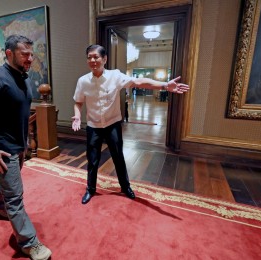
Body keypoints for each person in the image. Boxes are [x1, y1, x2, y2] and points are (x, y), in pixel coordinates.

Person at [72, 44, 190, 205]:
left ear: (104, 59)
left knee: (118, 157)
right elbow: (78, 102)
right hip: (93, 126)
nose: (92, 60)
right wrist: (78, 116)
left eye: (96, 57)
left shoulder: (115, 76)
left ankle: (125, 187)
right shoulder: (83, 81)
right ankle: (90, 189)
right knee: (92, 160)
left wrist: (164, 85)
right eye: (89, 57)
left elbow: (139, 81)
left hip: (112, 124)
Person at [0, 34, 51, 260]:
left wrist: (24, 142)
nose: (30, 58)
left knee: (10, 183)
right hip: (3, 148)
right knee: (15, 196)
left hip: (18, 145)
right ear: (9, 54)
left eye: (31, 54)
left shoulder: (23, 77)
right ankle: (29, 243)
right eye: (24, 54)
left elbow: (21, 112)